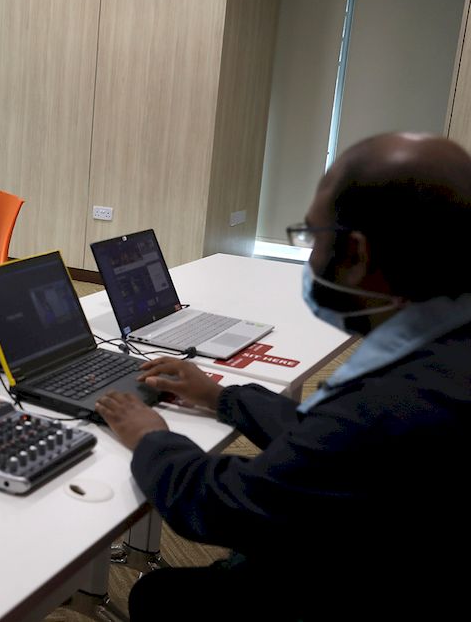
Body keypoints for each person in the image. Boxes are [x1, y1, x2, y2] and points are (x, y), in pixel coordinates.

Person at [95, 132, 471, 620]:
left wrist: (152, 437)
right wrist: (221, 397)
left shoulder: (390, 405)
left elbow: (220, 506)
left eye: (313, 236)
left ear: (355, 255)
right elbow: (325, 440)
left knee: (160, 597)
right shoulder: (445, 349)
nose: (311, 253)